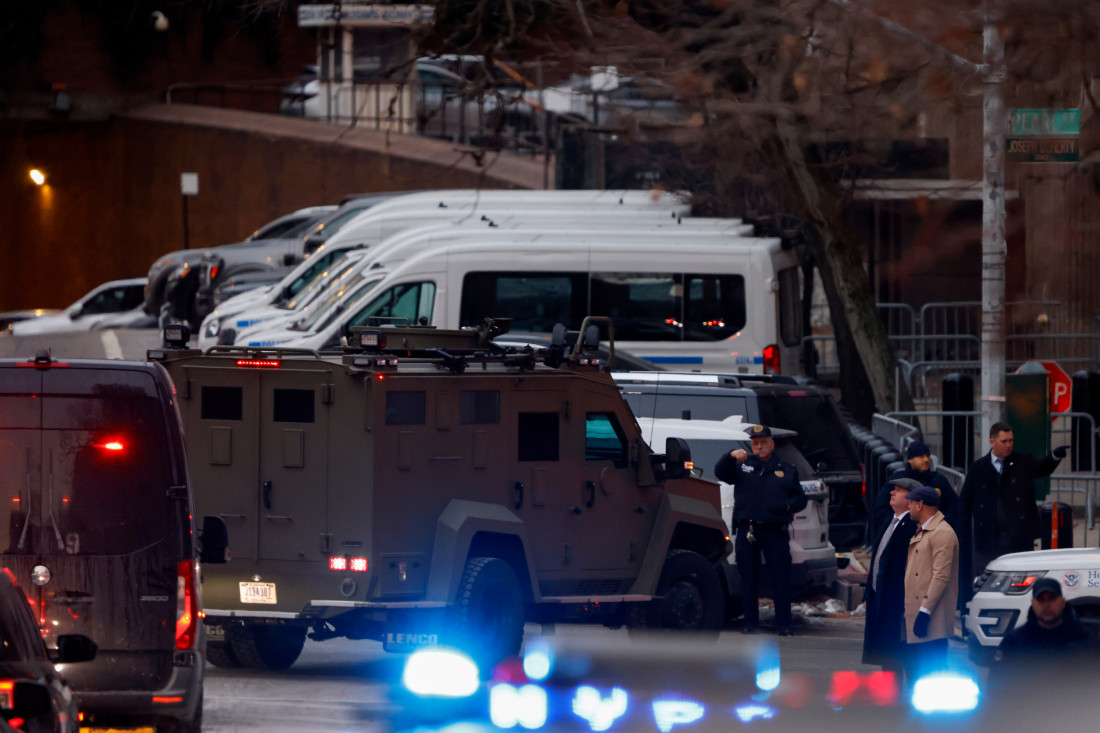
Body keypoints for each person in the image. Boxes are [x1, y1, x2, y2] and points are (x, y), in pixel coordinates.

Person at [957, 421, 1068, 603]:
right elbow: (965, 503)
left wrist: (1055, 456)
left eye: (1011, 441)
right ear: (992, 441)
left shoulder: (1022, 462)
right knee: (988, 585)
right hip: (989, 537)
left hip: (1017, 537)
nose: (1008, 445)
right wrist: (960, 533)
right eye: (1004, 441)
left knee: (1019, 585)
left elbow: (1042, 467)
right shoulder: (978, 468)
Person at [714, 424, 808, 637]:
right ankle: (750, 622)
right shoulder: (743, 467)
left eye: (764, 442)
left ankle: (784, 624)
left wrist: (788, 506)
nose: (759, 447)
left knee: (780, 577)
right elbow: (720, 472)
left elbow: (800, 498)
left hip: (775, 530)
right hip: (748, 529)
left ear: (771, 444)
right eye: (756, 443)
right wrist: (730, 456)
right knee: (748, 577)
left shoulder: (786, 470)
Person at [988, 577, 1098, 691]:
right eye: (1041, 599)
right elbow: (996, 689)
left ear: (1062, 602)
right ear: (1033, 603)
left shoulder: (1086, 641)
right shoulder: (1014, 643)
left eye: (1052, 598)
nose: (1046, 605)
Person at [862, 478, 920, 676]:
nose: (892, 493)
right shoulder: (890, 521)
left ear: (911, 500)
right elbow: (878, 559)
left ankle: (905, 688)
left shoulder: (912, 526)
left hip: (896, 598)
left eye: (899, 490)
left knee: (901, 652)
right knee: (887, 652)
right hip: (880, 596)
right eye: (893, 489)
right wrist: (869, 593)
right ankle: (892, 686)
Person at [902, 485, 959, 681]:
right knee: (917, 670)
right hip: (918, 611)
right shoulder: (924, 531)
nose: (908, 506)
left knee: (932, 670)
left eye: (911, 502)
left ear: (920, 505)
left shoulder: (942, 533)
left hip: (931, 615)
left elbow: (941, 576)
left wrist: (924, 612)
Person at [875, 440, 958, 536]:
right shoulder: (897, 481)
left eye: (928, 456)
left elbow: (953, 506)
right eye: (921, 457)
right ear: (910, 460)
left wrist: (940, 523)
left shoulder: (939, 480)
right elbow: (882, 508)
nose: (926, 460)